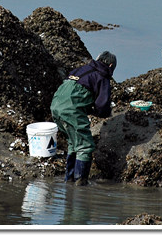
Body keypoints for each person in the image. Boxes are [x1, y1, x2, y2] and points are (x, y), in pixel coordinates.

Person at [50, 51, 117, 186]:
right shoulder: (102, 75)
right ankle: (81, 184)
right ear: (110, 65)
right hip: (71, 110)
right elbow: (102, 105)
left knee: (73, 144)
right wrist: (103, 113)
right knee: (85, 147)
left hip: (56, 105)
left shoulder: (81, 69)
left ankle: (69, 181)